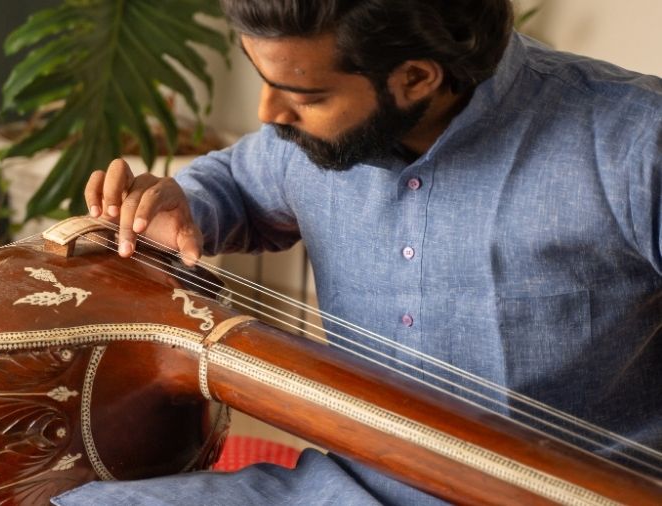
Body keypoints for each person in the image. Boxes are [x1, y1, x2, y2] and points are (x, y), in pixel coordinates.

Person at [52, 0, 662, 504]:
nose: (269, 114)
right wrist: (181, 205)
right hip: (349, 487)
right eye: (264, 80)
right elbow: (237, 183)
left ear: (417, 78)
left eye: (306, 97)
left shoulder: (635, 144)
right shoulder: (300, 140)